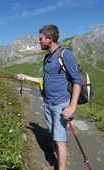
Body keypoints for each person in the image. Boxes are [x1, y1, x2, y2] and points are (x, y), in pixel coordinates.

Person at [14, 24, 82, 170]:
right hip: (48, 103)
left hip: (61, 104)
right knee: (55, 138)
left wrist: (72, 106)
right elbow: (45, 80)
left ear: (49, 39)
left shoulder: (65, 54)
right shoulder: (47, 57)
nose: (39, 42)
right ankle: (58, 165)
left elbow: (77, 81)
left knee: (60, 140)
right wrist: (24, 77)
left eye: (40, 39)